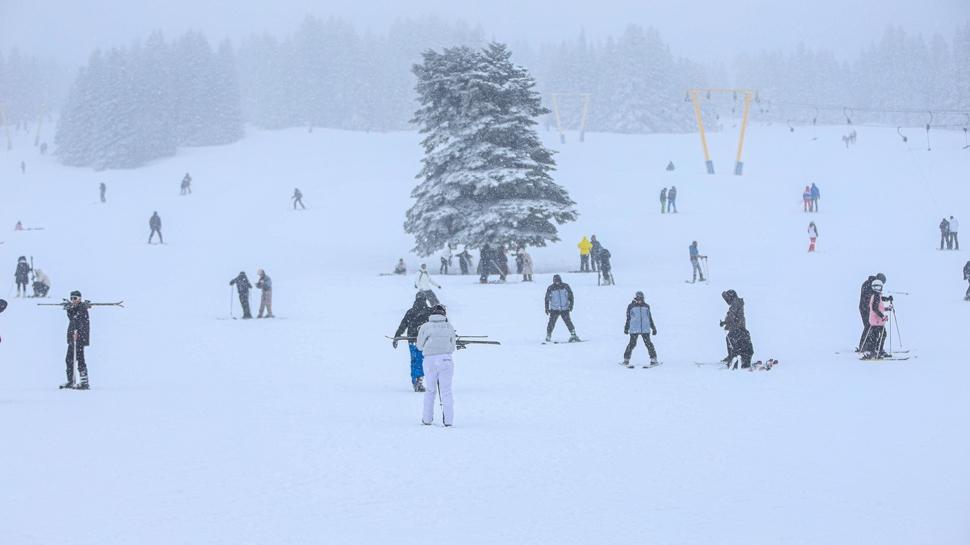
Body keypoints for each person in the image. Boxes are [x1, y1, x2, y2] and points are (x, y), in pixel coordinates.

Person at [417, 304, 457, 426]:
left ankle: (427, 419)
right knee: (446, 391)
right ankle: (449, 420)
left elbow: (419, 346)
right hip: (446, 359)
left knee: (430, 390)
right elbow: (453, 346)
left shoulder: (425, 326)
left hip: (429, 360)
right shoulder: (449, 326)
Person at [393, 293, 431, 392]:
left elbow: (403, 325)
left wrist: (397, 336)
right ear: (425, 300)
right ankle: (421, 379)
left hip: (412, 340)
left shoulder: (411, 312)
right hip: (425, 340)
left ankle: (416, 380)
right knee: (424, 360)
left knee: (415, 360)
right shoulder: (429, 311)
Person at [63, 291, 91, 389]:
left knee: (80, 359)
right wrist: (69, 309)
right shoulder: (76, 308)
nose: (73, 300)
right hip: (73, 338)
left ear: (79, 298)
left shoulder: (82, 308)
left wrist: (78, 334)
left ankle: (84, 382)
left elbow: (79, 320)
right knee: (69, 359)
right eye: (71, 298)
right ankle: (70, 381)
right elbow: (72, 318)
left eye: (75, 298)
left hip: (79, 338)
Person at [622, 291, 658, 367]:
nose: (640, 300)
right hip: (634, 328)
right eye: (638, 298)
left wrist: (653, 328)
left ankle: (654, 359)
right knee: (632, 344)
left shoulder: (646, 306)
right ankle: (626, 360)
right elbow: (628, 318)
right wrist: (626, 328)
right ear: (636, 298)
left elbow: (650, 318)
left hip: (645, 328)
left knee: (649, 344)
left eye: (641, 298)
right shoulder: (631, 306)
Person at [720, 289, 753, 369]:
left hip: (737, 328)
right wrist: (725, 322)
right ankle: (732, 356)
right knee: (732, 340)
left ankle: (733, 357)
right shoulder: (737, 303)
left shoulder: (735, 303)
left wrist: (726, 323)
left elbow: (732, 316)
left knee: (731, 340)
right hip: (739, 327)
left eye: (727, 298)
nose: (727, 301)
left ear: (731, 297)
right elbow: (734, 316)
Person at [861, 278, 892, 359]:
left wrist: (887, 308)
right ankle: (874, 351)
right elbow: (875, 308)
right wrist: (882, 316)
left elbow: (879, 307)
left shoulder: (876, 295)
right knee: (878, 335)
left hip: (876, 320)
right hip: (876, 320)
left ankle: (877, 350)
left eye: (878, 287)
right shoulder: (876, 296)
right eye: (875, 287)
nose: (877, 289)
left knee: (881, 334)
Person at [545, 274, 579, 342]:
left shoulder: (565, 286)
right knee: (551, 323)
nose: (557, 282)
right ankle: (548, 335)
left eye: (558, 281)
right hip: (554, 309)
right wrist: (546, 308)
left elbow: (571, 297)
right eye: (555, 281)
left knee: (568, 322)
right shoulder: (550, 288)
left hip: (565, 308)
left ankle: (573, 334)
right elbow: (547, 299)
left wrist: (571, 305)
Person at [857, 273, 884, 352]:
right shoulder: (869, 284)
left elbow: (877, 297)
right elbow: (871, 297)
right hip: (865, 308)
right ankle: (863, 346)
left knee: (870, 327)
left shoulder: (870, 284)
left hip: (867, 308)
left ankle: (868, 345)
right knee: (868, 326)